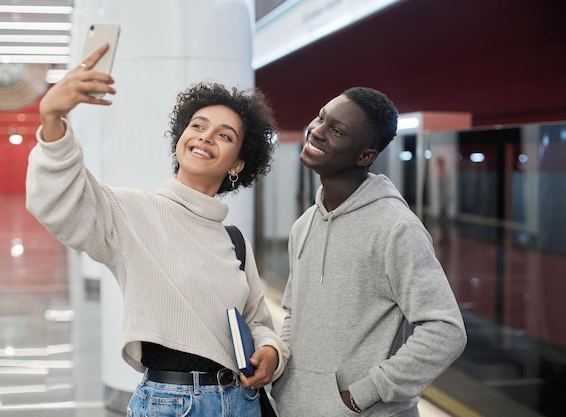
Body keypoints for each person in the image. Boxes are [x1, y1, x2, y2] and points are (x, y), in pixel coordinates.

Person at [25, 43, 288, 417]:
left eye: (224, 135)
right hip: (173, 404)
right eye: (197, 125)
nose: (205, 136)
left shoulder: (234, 240)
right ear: (181, 137)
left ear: (238, 165)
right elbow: (58, 202)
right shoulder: (133, 212)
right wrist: (52, 120)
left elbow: (258, 322)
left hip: (242, 402)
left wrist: (270, 352)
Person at [271, 87, 467, 416]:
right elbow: (294, 313)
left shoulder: (396, 228)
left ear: (365, 156)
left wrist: (365, 393)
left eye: (336, 130)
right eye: (321, 117)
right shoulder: (304, 225)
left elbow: (446, 331)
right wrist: (283, 379)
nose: (316, 131)